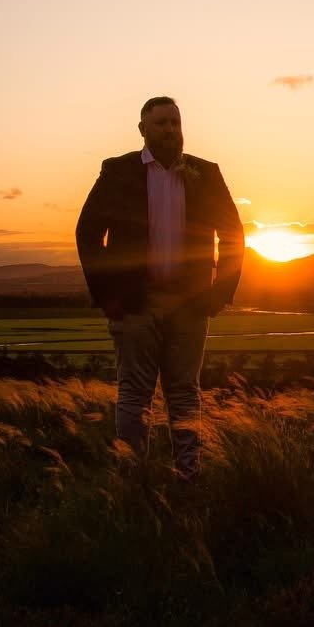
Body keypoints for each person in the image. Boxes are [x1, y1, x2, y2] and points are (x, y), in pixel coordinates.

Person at [76, 96, 245, 478]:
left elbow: (233, 234)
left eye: (175, 122)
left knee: (185, 392)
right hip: (136, 304)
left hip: (191, 304)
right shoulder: (118, 171)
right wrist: (108, 296)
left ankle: (188, 477)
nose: (170, 130)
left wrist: (218, 295)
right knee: (134, 394)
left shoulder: (206, 173)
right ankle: (133, 477)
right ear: (143, 130)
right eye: (161, 123)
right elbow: (88, 233)